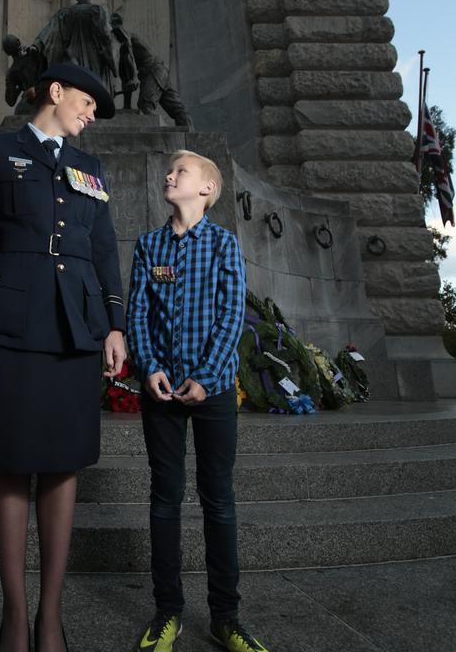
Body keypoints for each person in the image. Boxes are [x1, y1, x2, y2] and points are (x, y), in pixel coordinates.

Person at [0, 63, 127, 652]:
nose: (92, 113)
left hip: (76, 327)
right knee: (9, 460)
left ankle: (51, 616)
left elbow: (104, 250)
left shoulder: (90, 168)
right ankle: (14, 618)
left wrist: (115, 325)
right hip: (12, 322)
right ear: (55, 92)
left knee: (61, 463)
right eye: (87, 101)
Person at [126, 151, 270, 652]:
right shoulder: (148, 247)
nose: (169, 175)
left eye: (181, 172)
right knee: (165, 500)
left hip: (214, 393)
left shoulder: (225, 245)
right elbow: (137, 315)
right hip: (162, 392)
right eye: (168, 170)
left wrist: (207, 379)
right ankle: (168, 612)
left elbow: (232, 317)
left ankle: (225, 617)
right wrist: (150, 368)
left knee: (219, 501)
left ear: (206, 189)